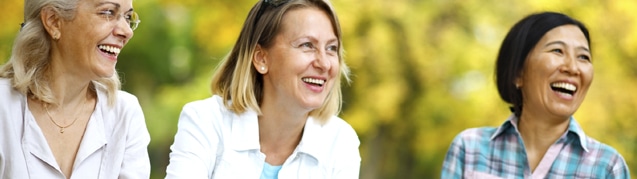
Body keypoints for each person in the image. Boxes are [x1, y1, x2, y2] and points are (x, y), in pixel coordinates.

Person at [165, 0, 360, 178]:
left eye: (331, 48)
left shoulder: (341, 142)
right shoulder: (206, 122)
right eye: (307, 45)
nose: (324, 63)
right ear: (261, 58)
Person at [441, 12, 630, 178]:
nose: (573, 68)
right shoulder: (470, 149)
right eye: (557, 51)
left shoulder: (606, 167)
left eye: (583, 57)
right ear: (518, 73)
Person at [0, 0, 150, 178]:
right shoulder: (4, 108)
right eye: (108, 12)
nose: (127, 31)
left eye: (127, 17)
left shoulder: (124, 114)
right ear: (53, 21)